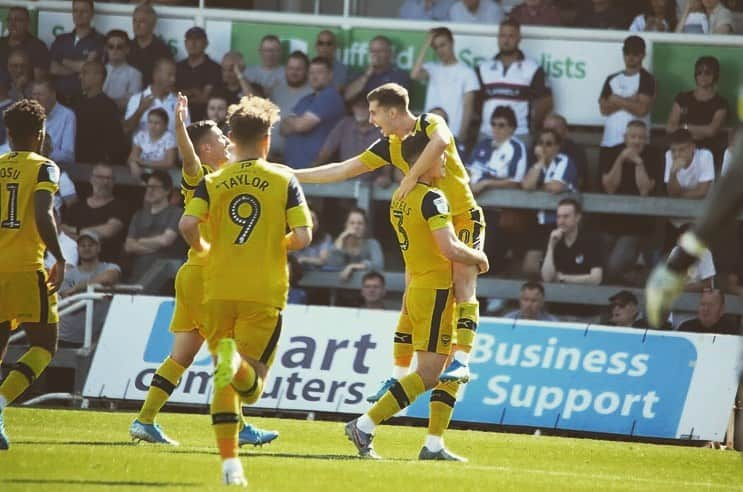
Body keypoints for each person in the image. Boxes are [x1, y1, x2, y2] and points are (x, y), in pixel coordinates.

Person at [293, 82, 485, 386]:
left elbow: (441, 142)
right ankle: (398, 376)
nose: (371, 121)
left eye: (374, 113)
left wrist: (410, 176)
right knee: (411, 295)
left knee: (463, 280)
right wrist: (293, 175)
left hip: (462, 215)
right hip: (430, 224)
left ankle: (462, 360)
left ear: (393, 112)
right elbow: (343, 169)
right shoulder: (389, 145)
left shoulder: (430, 123)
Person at [130, 94, 278, 447]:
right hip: (210, 278)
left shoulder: (233, 174)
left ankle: (144, 419)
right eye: (219, 137)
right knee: (231, 354)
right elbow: (187, 156)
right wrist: (180, 124)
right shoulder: (204, 176)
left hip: (193, 276)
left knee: (181, 355)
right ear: (205, 148)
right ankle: (238, 426)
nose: (227, 141)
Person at [179, 95, 312, 486]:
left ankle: (230, 465)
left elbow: (188, 226)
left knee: (224, 377)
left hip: (218, 288)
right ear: (267, 138)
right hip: (262, 290)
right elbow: (303, 236)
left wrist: (205, 248)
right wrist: (273, 242)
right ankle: (233, 364)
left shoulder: (212, 180)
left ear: (232, 138)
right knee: (249, 388)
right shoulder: (283, 178)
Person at [344, 152, 488, 461]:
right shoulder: (432, 198)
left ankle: (433, 444)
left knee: (447, 371)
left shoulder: (400, 196)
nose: (446, 162)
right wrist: (478, 257)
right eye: (440, 157)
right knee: (430, 374)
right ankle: (364, 424)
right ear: (423, 162)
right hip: (436, 289)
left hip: (419, 285)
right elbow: (449, 247)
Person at [0, 99, 66, 450]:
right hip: (26, 268)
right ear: (40, 134)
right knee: (44, 344)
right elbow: (44, 214)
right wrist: (59, 256)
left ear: (9, 134)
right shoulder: (45, 168)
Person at [600, 120, 663, 283]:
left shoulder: (653, 155)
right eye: (633, 137)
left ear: (646, 139)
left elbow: (644, 191)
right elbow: (610, 188)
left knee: (613, 267)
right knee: (600, 265)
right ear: (625, 138)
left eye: (641, 138)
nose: (636, 141)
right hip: (609, 221)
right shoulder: (611, 152)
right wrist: (620, 159)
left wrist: (639, 162)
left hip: (637, 225)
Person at [466, 105, 527, 273]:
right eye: (493, 124)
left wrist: (487, 184)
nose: (496, 129)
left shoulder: (516, 147)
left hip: (498, 211)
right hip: (473, 206)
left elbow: (516, 180)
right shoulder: (483, 144)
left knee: (487, 252)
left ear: (512, 128)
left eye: (501, 125)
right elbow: (468, 169)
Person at [476, 19, 552, 140]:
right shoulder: (483, 68)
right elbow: (476, 102)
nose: (506, 40)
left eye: (511, 36)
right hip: (487, 134)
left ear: (519, 38)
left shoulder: (532, 68)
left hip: (520, 134)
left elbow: (546, 102)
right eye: (502, 36)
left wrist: (531, 126)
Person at [521, 128, 579, 275]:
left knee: (557, 267)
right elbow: (527, 185)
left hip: (561, 222)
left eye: (549, 143)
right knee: (530, 267)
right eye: (541, 143)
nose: (544, 147)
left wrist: (538, 186)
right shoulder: (538, 165)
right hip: (540, 222)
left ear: (557, 146)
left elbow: (556, 186)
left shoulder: (564, 161)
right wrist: (540, 162)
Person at [411, 27, 478, 141]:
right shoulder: (432, 68)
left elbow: (468, 107)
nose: (440, 50)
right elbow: (414, 74)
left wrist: (462, 135)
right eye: (436, 47)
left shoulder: (467, 72)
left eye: (443, 45)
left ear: (452, 43)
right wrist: (427, 43)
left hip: (453, 134)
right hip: (429, 133)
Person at [57, 230, 121, 348]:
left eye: (90, 245)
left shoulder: (110, 267)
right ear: (78, 249)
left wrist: (77, 288)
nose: (86, 248)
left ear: (98, 248)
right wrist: (95, 286)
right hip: (67, 336)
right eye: (82, 245)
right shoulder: (68, 274)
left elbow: (109, 277)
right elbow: (68, 298)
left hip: (99, 337)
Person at [598, 36, 656, 165]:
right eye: (627, 53)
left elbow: (641, 110)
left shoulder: (647, 79)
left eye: (635, 54)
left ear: (643, 55)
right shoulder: (611, 78)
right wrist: (631, 99)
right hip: (610, 141)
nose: (630, 57)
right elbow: (604, 109)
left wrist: (616, 99)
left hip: (637, 144)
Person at [281, 57, 345, 169]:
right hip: (292, 168)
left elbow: (301, 126)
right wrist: (294, 123)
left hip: (314, 170)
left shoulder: (330, 95)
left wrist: (293, 122)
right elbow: (282, 129)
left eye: (319, 72)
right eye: (311, 73)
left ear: (330, 75)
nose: (314, 77)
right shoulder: (306, 99)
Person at [666, 56, 728, 167]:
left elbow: (711, 131)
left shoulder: (720, 102)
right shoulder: (682, 98)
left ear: (715, 75)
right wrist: (698, 131)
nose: (703, 76)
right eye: (699, 72)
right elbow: (670, 127)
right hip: (680, 149)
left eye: (707, 72)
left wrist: (684, 127)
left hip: (707, 150)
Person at [122, 170, 183, 283]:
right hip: (137, 276)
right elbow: (129, 246)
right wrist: (155, 247)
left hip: (164, 279)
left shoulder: (177, 213)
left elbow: (165, 240)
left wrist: (139, 241)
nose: (149, 190)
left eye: (154, 187)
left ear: (167, 190)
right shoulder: (139, 215)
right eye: (148, 186)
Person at [61, 164, 129, 262]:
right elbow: (62, 230)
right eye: (100, 177)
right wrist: (92, 235)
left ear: (114, 182)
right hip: (73, 261)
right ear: (91, 179)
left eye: (109, 178)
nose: (105, 182)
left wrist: (75, 231)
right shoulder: (77, 206)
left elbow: (108, 230)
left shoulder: (120, 206)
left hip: (105, 261)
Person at [313, 95, 385, 182]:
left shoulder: (383, 128)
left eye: (364, 107)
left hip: (372, 184)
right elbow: (325, 152)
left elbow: (390, 158)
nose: (360, 110)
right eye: (357, 106)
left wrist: (385, 177)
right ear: (352, 108)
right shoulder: (345, 124)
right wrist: (311, 171)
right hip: (345, 182)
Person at [48, 0, 105, 104]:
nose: (79, 14)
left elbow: (91, 70)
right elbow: (53, 68)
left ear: (92, 14)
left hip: (85, 100)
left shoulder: (100, 41)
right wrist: (81, 67)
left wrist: (63, 60)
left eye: (84, 11)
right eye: (75, 11)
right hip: (57, 99)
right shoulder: (61, 39)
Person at [74, 59, 129, 165]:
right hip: (75, 160)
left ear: (98, 77)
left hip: (96, 164)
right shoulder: (76, 101)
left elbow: (115, 142)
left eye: (84, 73)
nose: (80, 77)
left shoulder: (108, 107)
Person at [541, 198, 603, 285]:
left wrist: (563, 279)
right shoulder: (553, 238)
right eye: (559, 217)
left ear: (577, 217)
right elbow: (547, 278)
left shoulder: (591, 240)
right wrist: (551, 246)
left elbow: (596, 279)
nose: (561, 221)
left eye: (566, 217)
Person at [124, 58, 186, 136]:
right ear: (156, 75)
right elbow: (126, 129)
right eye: (169, 75)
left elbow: (187, 135)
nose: (173, 80)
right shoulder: (136, 99)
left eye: (174, 75)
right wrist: (140, 110)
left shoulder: (180, 103)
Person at [268, 51, 312, 158]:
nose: (294, 72)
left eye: (298, 69)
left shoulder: (312, 92)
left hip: (295, 158)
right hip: (269, 156)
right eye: (290, 68)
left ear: (307, 71)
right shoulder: (276, 89)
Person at [344, 36, 411, 102]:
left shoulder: (400, 75)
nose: (375, 54)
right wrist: (367, 75)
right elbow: (347, 96)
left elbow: (396, 102)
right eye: (372, 51)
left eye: (380, 51)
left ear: (390, 53)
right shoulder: (362, 74)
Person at [325, 208, 384, 282]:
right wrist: (340, 240)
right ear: (346, 225)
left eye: (360, 223)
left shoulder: (372, 244)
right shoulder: (339, 244)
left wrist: (352, 267)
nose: (356, 227)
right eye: (352, 223)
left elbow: (378, 265)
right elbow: (333, 265)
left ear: (365, 227)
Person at [175, 27, 222, 121]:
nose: (193, 43)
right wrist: (193, 92)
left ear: (205, 43)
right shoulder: (177, 67)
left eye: (197, 39)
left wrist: (183, 94)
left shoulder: (214, 68)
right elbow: (172, 95)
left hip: (203, 120)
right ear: (185, 43)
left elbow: (204, 98)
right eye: (189, 39)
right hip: (180, 119)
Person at [30, 79, 76, 168]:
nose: (36, 99)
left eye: (40, 95)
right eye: (34, 95)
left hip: (55, 168)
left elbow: (68, 155)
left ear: (52, 95)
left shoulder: (67, 115)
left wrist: (43, 154)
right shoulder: (28, 114)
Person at [128, 2, 174, 87]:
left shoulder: (163, 51)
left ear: (153, 24)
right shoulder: (126, 47)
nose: (137, 25)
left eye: (142, 22)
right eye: (135, 21)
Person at [0, 7, 50, 81]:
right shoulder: (1, 42)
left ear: (27, 23)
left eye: (17, 20)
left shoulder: (37, 46)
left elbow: (38, 80)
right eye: (9, 19)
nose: (12, 24)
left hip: (23, 90)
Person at [664, 128, 714, 200]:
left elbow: (702, 192)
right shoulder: (669, 155)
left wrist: (679, 195)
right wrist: (672, 174)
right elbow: (671, 193)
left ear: (693, 147)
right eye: (673, 150)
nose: (677, 154)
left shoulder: (705, 156)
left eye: (682, 150)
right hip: (679, 206)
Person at [541, 113, 588, 189]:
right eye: (547, 129)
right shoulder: (536, 147)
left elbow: (578, 182)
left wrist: (540, 187)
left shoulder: (575, 150)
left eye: (554, 129)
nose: (550, 133)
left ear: (566, 131)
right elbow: (526, 183)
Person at [128, 108, 177, 178]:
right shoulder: (141, 135)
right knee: (133, 166)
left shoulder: (170, 138)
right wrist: (135, 164)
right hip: (141, 172)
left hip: (161, 173)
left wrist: (144, 163)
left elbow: (169, 163)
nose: (152, 126)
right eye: (150, 122)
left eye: (157, 123)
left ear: (165, 125)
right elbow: (133, 157)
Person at [102, 30, 143, 112]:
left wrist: (101, 103)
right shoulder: (97, 70)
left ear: (127, 49)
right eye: (111, 46)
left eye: (119, 47)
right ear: (106, 49)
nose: (114, 50)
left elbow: (131, 103)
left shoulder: (135, 74)